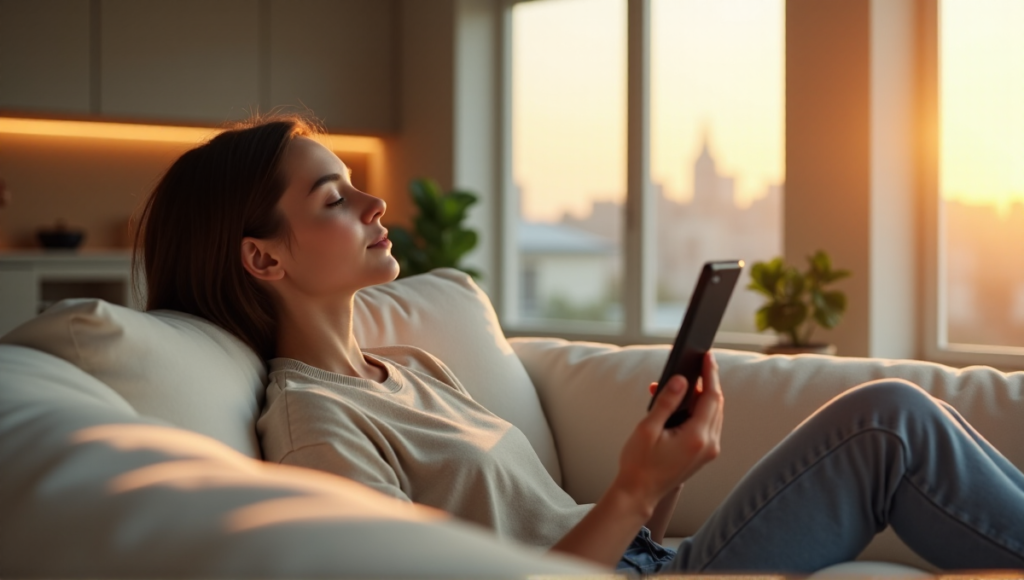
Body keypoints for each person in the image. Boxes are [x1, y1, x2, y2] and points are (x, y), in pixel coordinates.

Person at [133, 115, 1024, 574]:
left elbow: (581, 532)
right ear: (262, 256)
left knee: (894, 425)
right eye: (333, 198)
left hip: (649, 562)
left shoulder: (410, 369)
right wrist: (634, 485)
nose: (373, 204)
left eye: (356, 186)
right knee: (887, 426)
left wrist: (658, 480)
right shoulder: (314, 429)